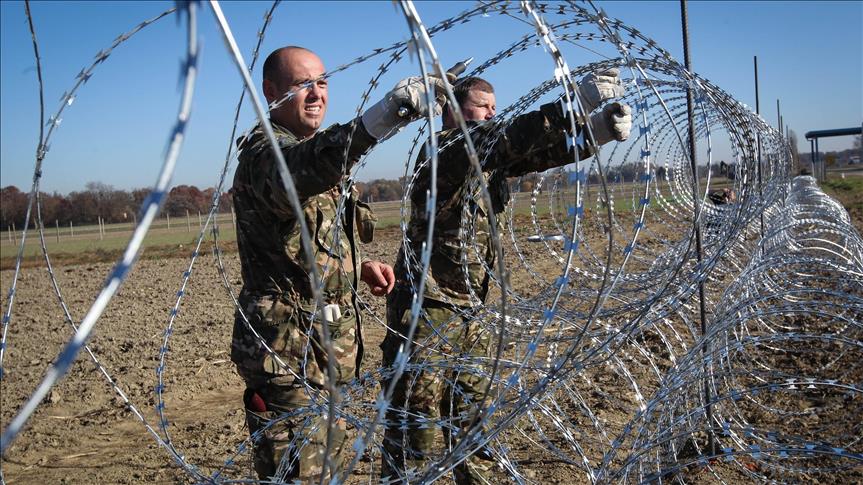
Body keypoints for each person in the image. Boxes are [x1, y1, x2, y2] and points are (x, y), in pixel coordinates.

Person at [380, 70, 633, 483]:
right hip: (428, 310)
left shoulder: (488, 160)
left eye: (494, 108)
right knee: (414, 435)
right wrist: (573, 104)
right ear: (452, 110)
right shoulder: (444, 150)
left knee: (473, 426)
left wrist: (597, 131)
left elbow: (538, 152)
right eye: (482, 107)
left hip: (471, 308)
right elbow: (508, 137)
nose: (491, 114)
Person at [229, 45, 448, 482]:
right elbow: (304, 170)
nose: (317, 93)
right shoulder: (265, 156)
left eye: (322, 82)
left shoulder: (315, 156)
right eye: (302, 84)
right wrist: (386, 115)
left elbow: (306, 238)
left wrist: (356, 265)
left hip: (328, 352)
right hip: (289, 356)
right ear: (270, 92)